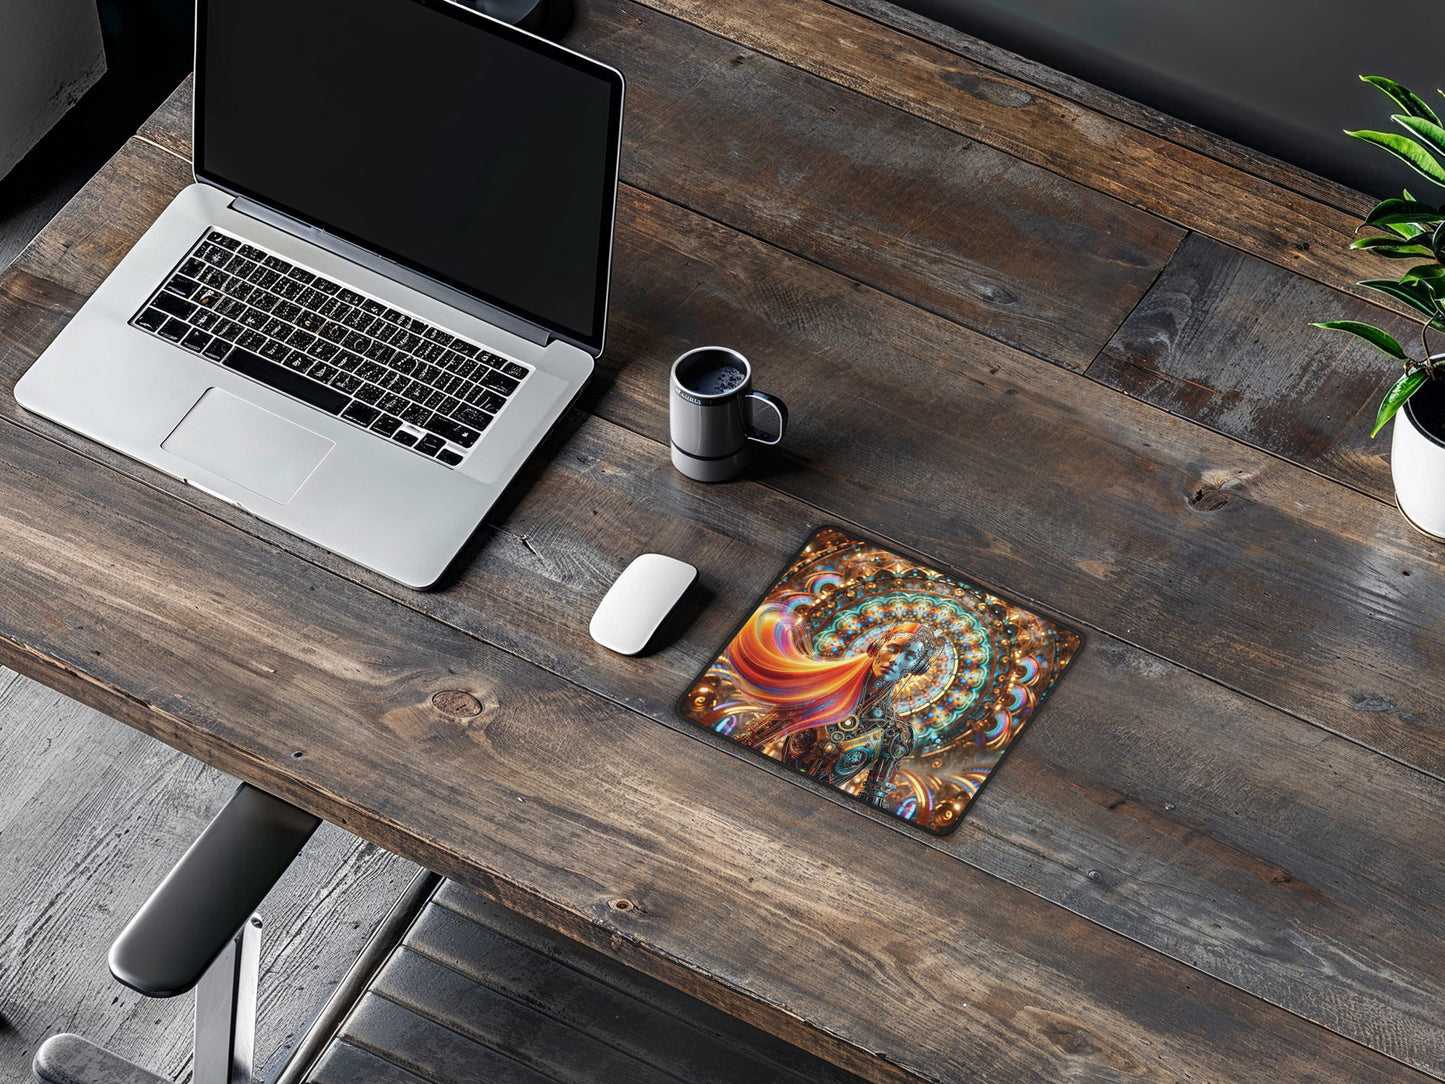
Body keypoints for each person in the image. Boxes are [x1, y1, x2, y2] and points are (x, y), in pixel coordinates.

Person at [729, 605, 942, 809]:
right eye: (892, 649)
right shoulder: (817, 694)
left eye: (910, 656)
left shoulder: (895, 733)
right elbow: (749, 743)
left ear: (918, 667)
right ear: (877, 648)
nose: (895, 660)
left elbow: (872, 801)